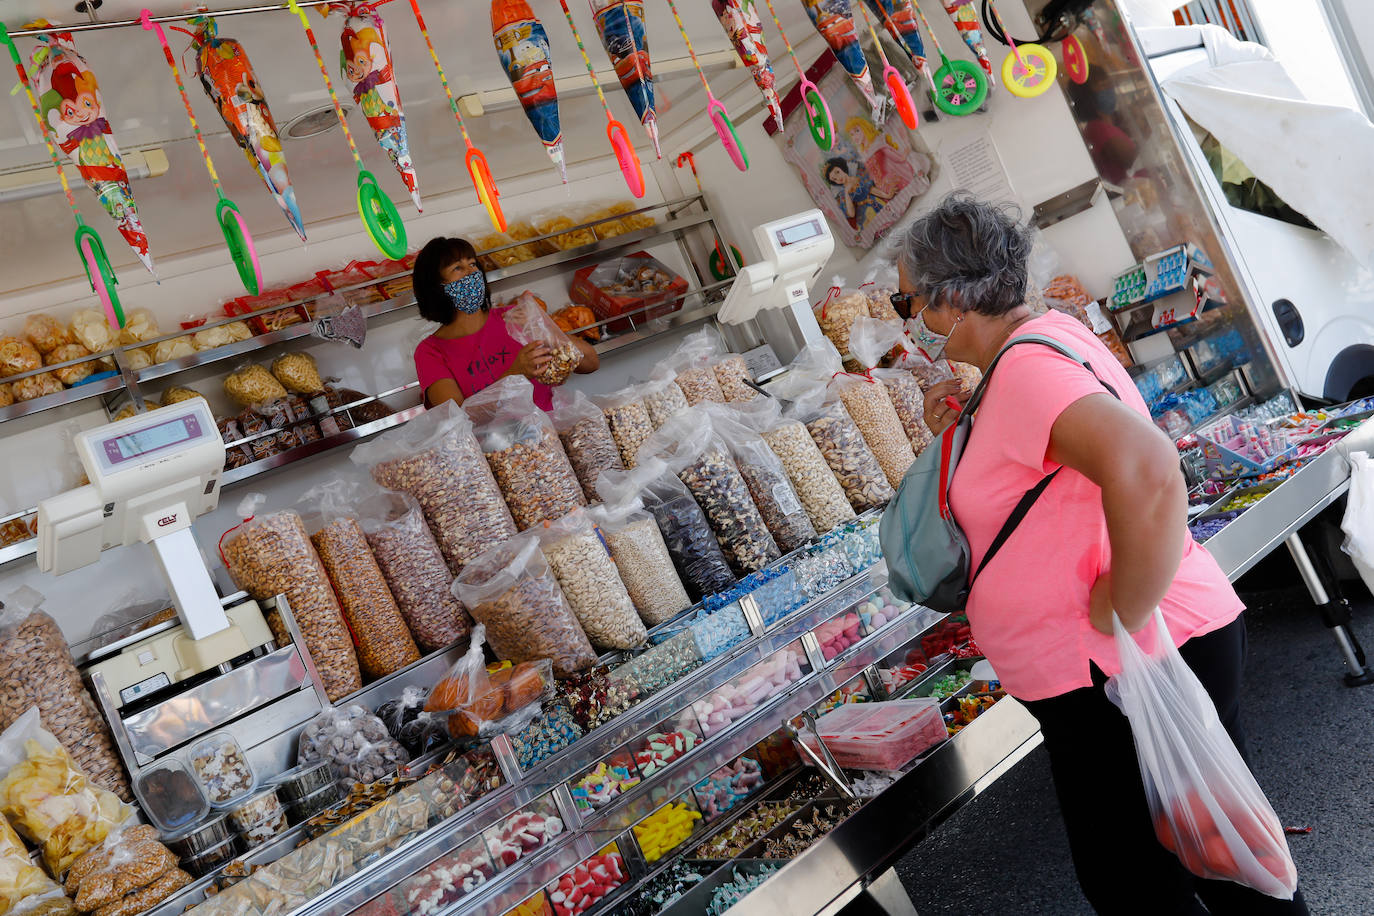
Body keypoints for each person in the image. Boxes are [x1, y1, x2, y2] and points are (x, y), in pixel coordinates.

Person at [895, 193, 1307, 915]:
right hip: (1135, 653)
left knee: (1147, 879)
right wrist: (966, 429)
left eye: (911, 301)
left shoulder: (1025, 373)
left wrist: (1126, 597)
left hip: (1120, 661)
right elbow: (1052, 477)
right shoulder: (1041, 343)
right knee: (1211, 851)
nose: (913, 322)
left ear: (955, 297)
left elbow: (1146, 466)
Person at [411, 236, 598, 410]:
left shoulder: (514, 317)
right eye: (457, 268)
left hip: (551, 437)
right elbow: (459, 418)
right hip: (496, 446)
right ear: (435, 287)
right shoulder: (430, 352)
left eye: (472, 264)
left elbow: (591, 362)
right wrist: (515, 375)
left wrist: (544, 330)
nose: (472, 272)